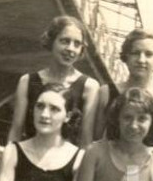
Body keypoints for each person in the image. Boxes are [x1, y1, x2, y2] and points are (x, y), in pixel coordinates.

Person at [94, 29, 153, 167]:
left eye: (149, 54)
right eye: (135, 53)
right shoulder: (106, 92)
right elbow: (95, 139)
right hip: (111, 172)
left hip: (151, 174)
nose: (141, 60)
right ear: (126, 56)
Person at [6, 16, 99, 148]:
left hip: (66, 163)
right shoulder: (27, 81)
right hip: (29, 158)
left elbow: (85, 139)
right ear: (51, 41)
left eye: (77, 44)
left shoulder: (89, 87)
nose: (70, 49)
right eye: (65, 41)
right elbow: (16, 130)